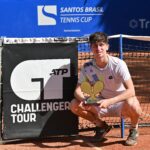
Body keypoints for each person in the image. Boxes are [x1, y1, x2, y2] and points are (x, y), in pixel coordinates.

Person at [70, 32, 142, 146]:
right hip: (101, 103)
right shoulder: (88, 67)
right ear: (90, 48)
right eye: (95, 45)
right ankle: (102, 126)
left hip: (121, 104)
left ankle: (133, 130)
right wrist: (85, 101)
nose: (98, 48)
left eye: (101, 45)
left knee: (134, 103)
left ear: (107, 46)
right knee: (74, 104)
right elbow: (77, 91)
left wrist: (110, 101)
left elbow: (131, 91)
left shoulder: (118, 64)